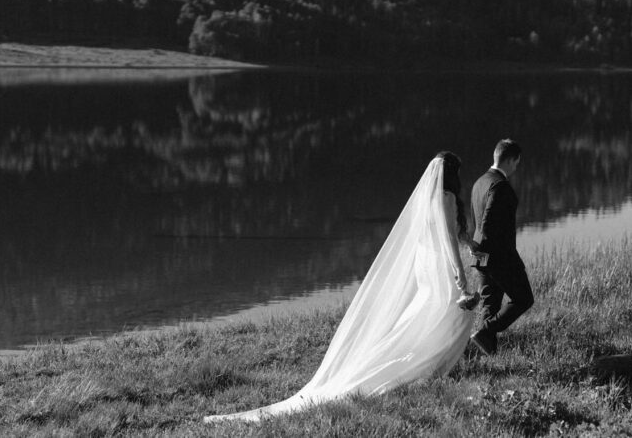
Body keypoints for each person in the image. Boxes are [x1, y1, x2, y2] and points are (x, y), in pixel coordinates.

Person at [204, 151, 477, 423]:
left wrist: (471, 245)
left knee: (426, 312)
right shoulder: (447, 197)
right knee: (454, 314)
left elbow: (433, 233)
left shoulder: (425, 200)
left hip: (424, 263)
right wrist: (460, 278)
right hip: (440, 264)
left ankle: (420, 358)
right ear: (453, 175)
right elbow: (449, 239)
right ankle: (430, 365)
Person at [469, 138, 534, 355]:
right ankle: (485, 331)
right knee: (523, 299)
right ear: (511, 160)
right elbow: (487, 222)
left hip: (482, 257)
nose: (516, 167)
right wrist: (481, 246)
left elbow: (477, 221)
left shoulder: (480, 182)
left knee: (491, 306)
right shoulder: (500, 186)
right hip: (498, 257)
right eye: (517, 163)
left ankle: (491, 356)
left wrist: (477, 249)